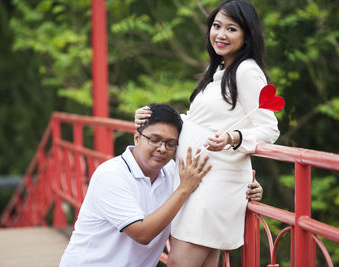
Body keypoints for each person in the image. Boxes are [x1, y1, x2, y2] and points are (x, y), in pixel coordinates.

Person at [135, 0, 280, 266]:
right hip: (196, 180)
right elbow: (198, 122)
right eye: (216, 26)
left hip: (215, 184)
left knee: (179, 261)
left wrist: (233, 138)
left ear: (247, 35)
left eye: (231, 28)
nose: (221, 34)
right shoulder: (219, 70)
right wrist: (150, 117)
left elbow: (269, 128)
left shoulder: (247, 71)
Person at [59, 103, 212, 267]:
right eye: (154, 140)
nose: (162, 148)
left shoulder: (172, 172)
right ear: (137, 138)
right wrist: (184, 189)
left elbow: (204, 128)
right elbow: (142, 234)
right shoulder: (111, 175)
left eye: (170, 143)